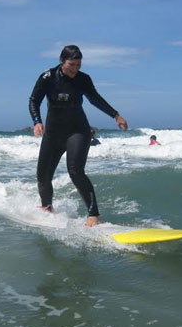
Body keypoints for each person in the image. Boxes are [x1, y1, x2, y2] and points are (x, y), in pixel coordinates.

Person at [29, 45, 128, 227]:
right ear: (62, 61)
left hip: (77, 130)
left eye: (78, 65)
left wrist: (115, 115)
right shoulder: (47, 77)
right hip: (53, 133)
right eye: (71, 65)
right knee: (43, 176)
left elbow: (95, 99)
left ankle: (94, 215)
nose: (75, 69)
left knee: (75, 171)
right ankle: (47, 208)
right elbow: (34, 99)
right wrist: (37, 121)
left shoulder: (83, 79)